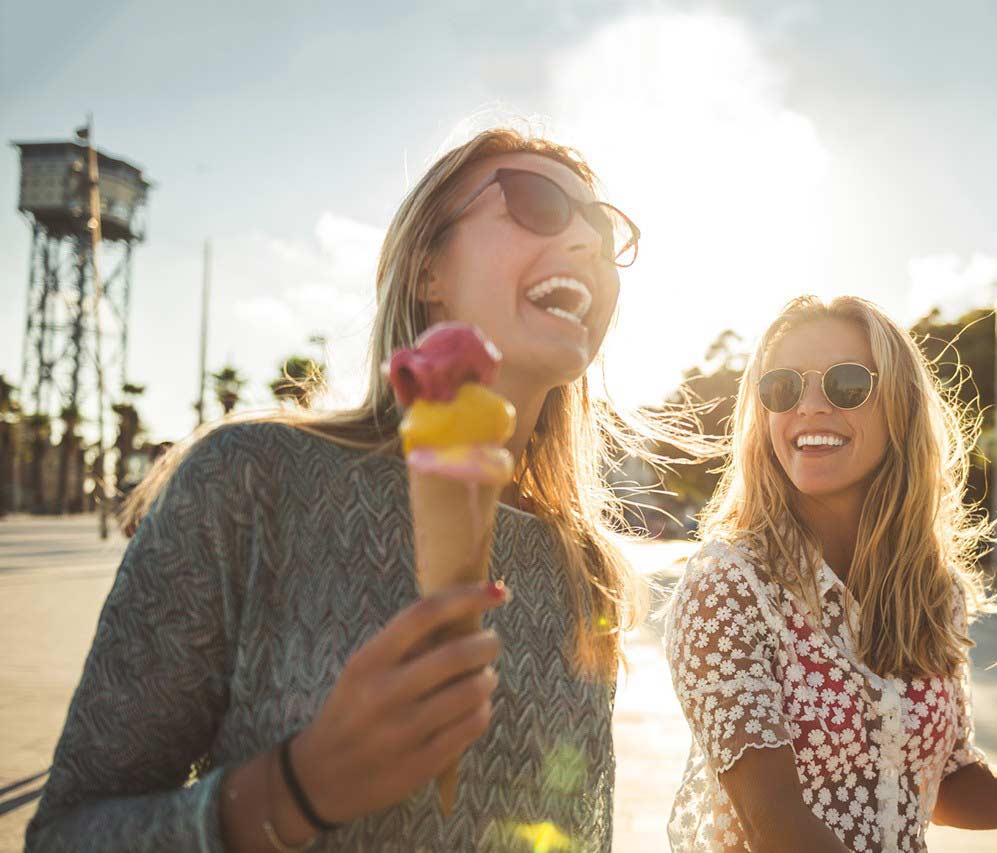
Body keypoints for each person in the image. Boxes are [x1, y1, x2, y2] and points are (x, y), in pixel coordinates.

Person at [26, 127, 674, 851]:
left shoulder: (585, 566)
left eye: (603, 225)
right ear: (428, 266)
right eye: (537, 203)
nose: (586, 241)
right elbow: (65, 834)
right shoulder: (249, 480)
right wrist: (300, 787)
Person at [664, 295, 997, 852]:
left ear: (900, 410)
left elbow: (943, 788)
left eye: (847, 384)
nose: (808, 406)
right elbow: (777, 827)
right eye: (782, 387)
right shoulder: (727, 585)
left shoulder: (934, 590)